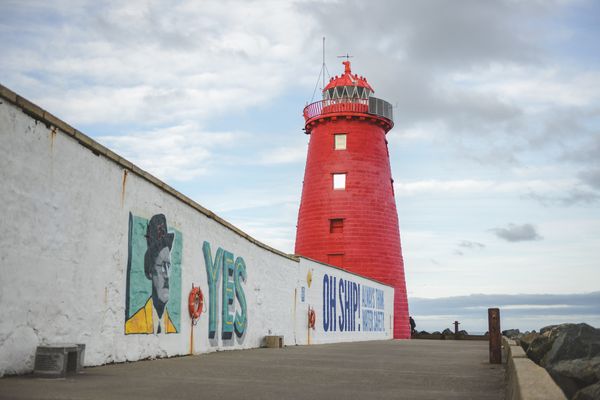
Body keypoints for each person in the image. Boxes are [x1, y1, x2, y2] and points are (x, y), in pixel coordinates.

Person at [125, 214, 177, 334]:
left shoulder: (172, 329)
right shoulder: (132, 326)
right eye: (161, 266)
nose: (166, 274)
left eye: (168, 266)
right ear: (149, 272)